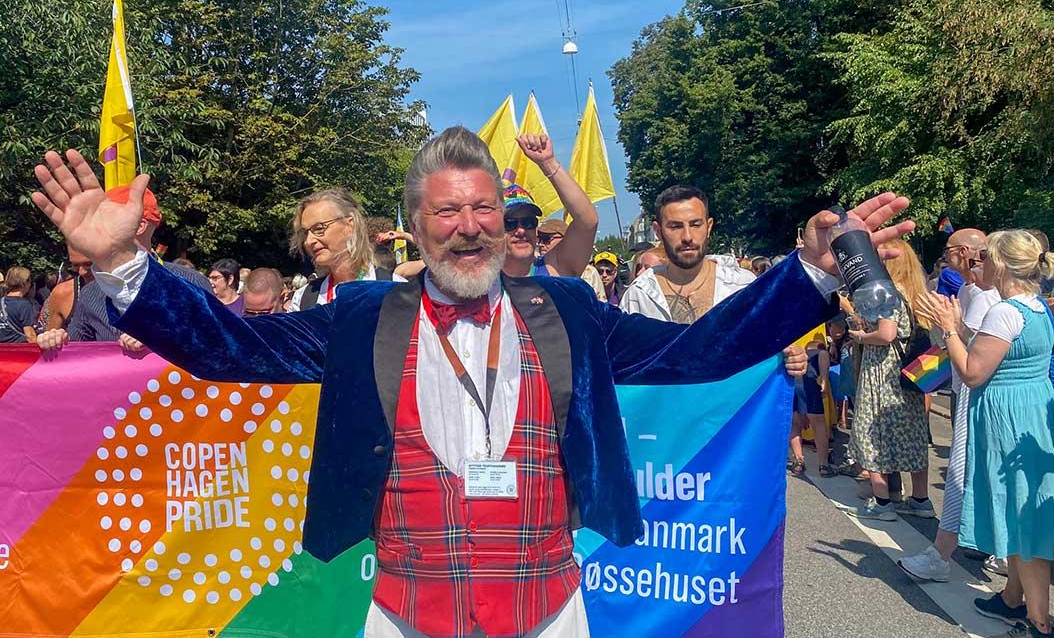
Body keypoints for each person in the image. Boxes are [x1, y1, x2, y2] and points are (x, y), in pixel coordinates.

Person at [29, 132, 914, 638]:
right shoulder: (363, 316)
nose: (467, 227)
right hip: (406, 613)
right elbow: (223, 346)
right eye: (446, 212)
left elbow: (702, 353)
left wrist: (807, 274)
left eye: (483, 208)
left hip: (549, 607)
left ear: (504, 216)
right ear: (414, 226)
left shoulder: (567, 309)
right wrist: (119, 261)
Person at [927, 230, 1054, 637]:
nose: (978, 264)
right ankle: (1012, 597)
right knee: (1020, 508)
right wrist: (960, 330)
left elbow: (972, 371)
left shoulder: (1004, 310)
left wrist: (947, 329)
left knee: (1021, 517)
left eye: (985, 258)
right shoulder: (1036, 308)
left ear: (1001, 265)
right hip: (1031, 409)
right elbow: (991, 349)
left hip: (1008, 417)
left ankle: (1038, 620)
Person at [899, 227, 1002, 583]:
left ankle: (942, 555)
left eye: (948, 251)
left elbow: (967, 353)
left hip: (980, 396)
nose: (945, 259)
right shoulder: (972, 290)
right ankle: (997, 550)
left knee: (964, 473)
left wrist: (947, 328)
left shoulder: (991, 298)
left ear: (964, 253)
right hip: (971, 393)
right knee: (980, 474)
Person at [34, 185, 210, 351]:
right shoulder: (91, 293)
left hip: (172, 383)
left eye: (104, 223)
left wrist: (161, 338)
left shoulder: (190, 281)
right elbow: (77, 357)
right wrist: (57, 342)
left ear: (139, 225)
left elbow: (219, 346)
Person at [840, 238, 934, 522]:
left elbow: (886, 334)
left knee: (872, 432)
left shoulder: (887, 293)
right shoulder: (917, 293)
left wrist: (860, 336)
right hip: (912, 373)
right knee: (913, 435)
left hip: (883, 372)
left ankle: (882, 502)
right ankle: (920, 499)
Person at [620, 185, 756, 323]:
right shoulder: (639, 297)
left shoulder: (742, 286)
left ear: (708, 227)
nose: (687, 237)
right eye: (675, 227)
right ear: (658, 232)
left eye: (696, 225)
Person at [501, 134, 599, 279]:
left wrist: (548, 162)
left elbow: (587, 222)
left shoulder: (554, 268)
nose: (521, 230)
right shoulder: (484, 281)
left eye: (529, 222)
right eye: (510, 224)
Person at [288, 188, 402, 311]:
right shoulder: (303, 300)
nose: (309, 241)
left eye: (319, 228)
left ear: (349, 225)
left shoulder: (396, 289)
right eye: (305, 233)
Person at [787, 333, 834, 477]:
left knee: (794, 423)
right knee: (818, 423)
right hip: (810, 384)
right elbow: (823, 358)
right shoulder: (819, 350)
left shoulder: (797, 346)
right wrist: (825, 380)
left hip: (792, 381)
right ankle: (823, 464)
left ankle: (798, 460)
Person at [41, 244, 93, 330]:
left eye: (88, 264)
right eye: (75, 265)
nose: (82, 272)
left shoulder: (120, 290)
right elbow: (52, 338)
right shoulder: (62, 293)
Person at [0, 267, 40, 343]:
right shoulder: (24, 305)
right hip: (17, 351)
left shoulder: (1, 301)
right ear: (25, 282)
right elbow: (30, 336)